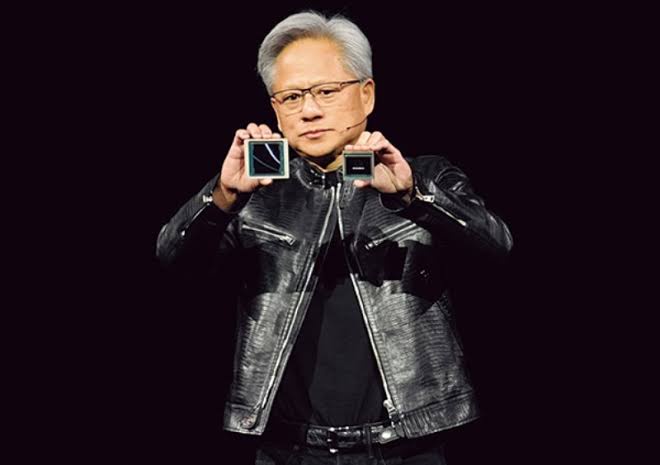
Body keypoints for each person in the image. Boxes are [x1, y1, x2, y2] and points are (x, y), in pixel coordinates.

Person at [156, 10, 513, 465]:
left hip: (406, 448)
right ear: (275, 110)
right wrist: (222, 197)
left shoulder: (424, 178)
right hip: (288, 451)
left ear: (367, 94)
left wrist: (414, 197)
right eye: (291, 97)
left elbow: (496, 249)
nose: (309, 110)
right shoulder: (254, 194)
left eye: (326, 91)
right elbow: (174, 262)